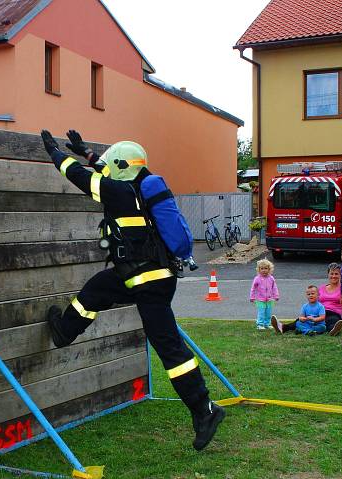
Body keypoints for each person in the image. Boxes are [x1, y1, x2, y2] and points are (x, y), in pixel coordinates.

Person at [40, 129, 224, 451]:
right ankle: (64, 331)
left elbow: (83, 178)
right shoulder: (141, 185)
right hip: (147, 278)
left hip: (146, 282)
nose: (107, 170)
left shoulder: (118, 192)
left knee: (170, 350)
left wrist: (56, 153)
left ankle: (205, 411)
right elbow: (109, 171)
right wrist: (88, 152)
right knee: (98, 288)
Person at [272, 263, 342, 336]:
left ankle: (333, 330)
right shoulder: (321, 289)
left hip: (334, 313)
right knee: (302, 320)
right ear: (328, 274)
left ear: (340, 275)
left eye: (336, 274)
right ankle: (283, 327)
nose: (333, 276)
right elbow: (314, 302)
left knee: (331, 321)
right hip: (319, 312)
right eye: (331, 274)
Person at [249, 258, 279, 330]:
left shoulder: (271, 278)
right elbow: (253, 288)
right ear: (259, 270)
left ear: (269, 269)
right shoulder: (257, 279)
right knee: (261, 312)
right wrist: (252, 297)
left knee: (268, 312)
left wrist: (276, 296)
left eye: (266, 268)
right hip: (260, 299)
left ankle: (267, 324)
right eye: (262, 268)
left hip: (269, 299)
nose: (264, 270)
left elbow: (274, 287)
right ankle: (260, 324)